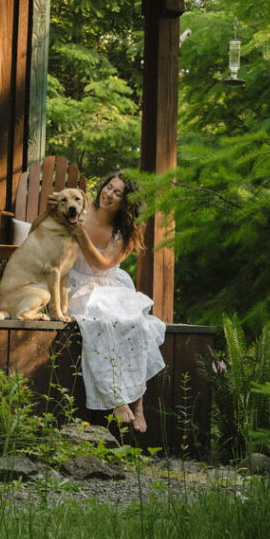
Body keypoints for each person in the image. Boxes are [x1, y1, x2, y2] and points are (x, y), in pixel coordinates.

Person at [65, 172, 166, 432]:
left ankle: (139, 406)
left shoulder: (125, 232)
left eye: (117, 193)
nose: (108, 194)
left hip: (108, 283)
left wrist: (80, 235)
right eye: (108, 187)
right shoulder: (81, 210)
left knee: (138, 324)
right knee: (102, 318)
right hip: (77, 285)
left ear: (125, 202)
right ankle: (118, 398)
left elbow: (101, 265)